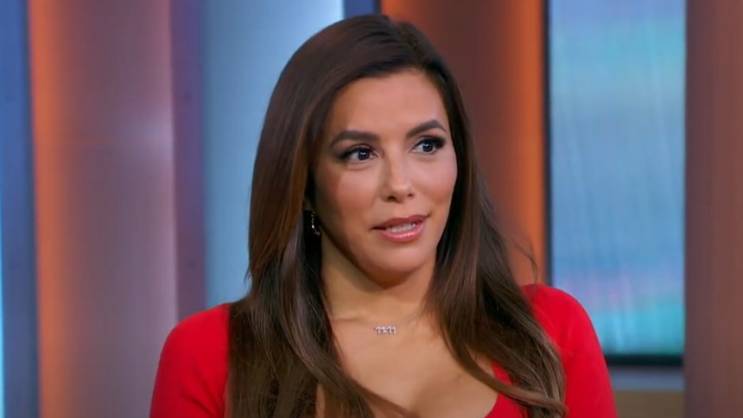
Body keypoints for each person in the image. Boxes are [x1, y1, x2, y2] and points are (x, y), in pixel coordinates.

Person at [150, 15, 617, 418]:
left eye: (427, 145)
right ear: (304, 184)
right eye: (360, 153)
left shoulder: (551, 333)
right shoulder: (210, 356)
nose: (400, 184)